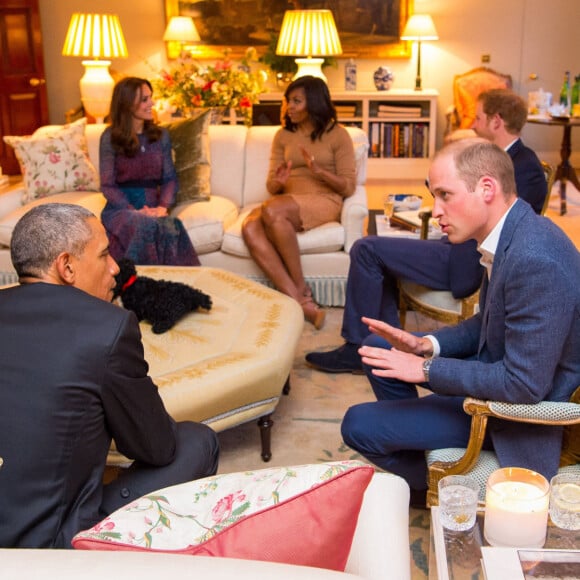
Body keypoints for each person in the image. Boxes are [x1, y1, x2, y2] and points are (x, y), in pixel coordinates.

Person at [340, 139, 580, 498]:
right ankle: (419, 436)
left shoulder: (533, 259)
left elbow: (523, 386)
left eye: (445, 195)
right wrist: (426, 344)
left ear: (486, 188)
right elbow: (488, 323)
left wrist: (425, 370)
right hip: (493, 371)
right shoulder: (511, 234)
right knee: (375, 349)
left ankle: (438, 490)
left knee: (357, 424)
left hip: (507, 414)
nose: (436, 211)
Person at [0, 204, 219, 548]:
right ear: (67, 266)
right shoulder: (107, 326)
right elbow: (155, 447)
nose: (116, 267)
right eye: (104, 255)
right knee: (197, 441)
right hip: (45, 547)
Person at [305, 87, 547, 373]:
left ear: (496, 121)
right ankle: (382, 345)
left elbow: (508, 228)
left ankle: (358, 349)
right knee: (378, 246)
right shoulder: (492, 156)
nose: (472, 124)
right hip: (454, 245)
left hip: (466, 257)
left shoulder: (525, 166)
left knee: (366, 248)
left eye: (478, 118)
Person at [241, 76, 357, 329]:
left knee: (272, 210)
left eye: (296, 101)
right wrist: (279, 181)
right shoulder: (283, 136)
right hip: (285, 202)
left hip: (323, 199)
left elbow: (348, 186)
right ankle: (299, 301)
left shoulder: (338, 135)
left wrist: (319, 172)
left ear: (313, 103)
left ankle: (302, 289)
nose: (289, 107)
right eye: (288, 101)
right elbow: (271, 186)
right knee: (249, 227)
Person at [100, 77, 199, 266]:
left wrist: (163, 207)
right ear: (128, 104)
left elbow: (170, 179)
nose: (151, 103)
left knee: (172, 226)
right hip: (121, 208)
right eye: (145, 99)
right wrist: (133, 211)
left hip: (153, 206)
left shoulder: (161, 136)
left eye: (150, 98)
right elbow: (107, 185)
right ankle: (140, 285)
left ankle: (181, 285)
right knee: (143, 225)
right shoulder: (110, 137)